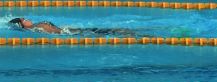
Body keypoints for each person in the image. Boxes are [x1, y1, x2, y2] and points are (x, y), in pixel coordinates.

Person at [8, 17, 138, 35]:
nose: (27, 19)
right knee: (105, 32)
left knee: (103, 31)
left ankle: (125, 32)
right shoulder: (34, 28)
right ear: (22, 25)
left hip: (70, 31)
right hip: (70, 33)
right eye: (24, 19)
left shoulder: (35, 26)